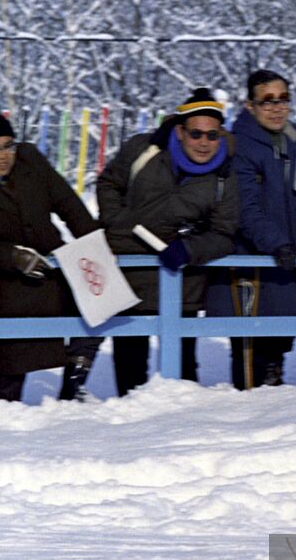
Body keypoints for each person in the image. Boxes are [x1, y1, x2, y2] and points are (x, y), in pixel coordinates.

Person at [0, 99, 102, 401]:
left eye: (8, 145)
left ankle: (74, 385)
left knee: (100, 301)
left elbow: (68, 204)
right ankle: (5, 411)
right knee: (11, 364)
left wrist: (94, 246)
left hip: (55, 271)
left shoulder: (29, 160)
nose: (4, 155)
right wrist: (13, 256)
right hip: (6, 285)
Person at [97, 89, 240, 395]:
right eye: (196, 134)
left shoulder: (224, 177)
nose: (204, 143)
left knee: (183, 365)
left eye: (212, 135)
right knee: (130, 361)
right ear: (180, 130)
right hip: (128, 273)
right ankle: (130, 420)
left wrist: (190, 249)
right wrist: (118, 221)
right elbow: (109, 182)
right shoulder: (142, 149)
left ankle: (182, 428)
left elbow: (224, 233)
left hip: (182, 280)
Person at [206, 70, 296, 389]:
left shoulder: (293, 141)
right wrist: (276, 243)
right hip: (254, 262)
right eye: (267, 101)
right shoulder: (241, 146)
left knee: (278, 348)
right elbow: (244, 209)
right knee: (252, 350)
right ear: (250, 106)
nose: (277, 108)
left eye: (283, 99)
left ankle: (274, 418)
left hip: (285, 258)